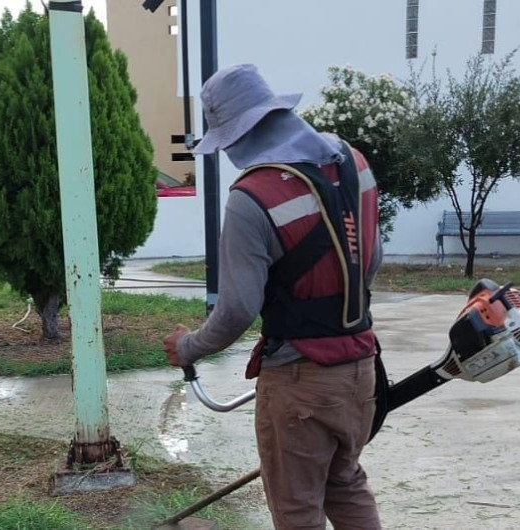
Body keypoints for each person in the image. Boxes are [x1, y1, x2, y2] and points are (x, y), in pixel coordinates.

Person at [162, 64, 383, 530]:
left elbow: (238, 309)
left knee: (297, 509)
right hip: (361, 368)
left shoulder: (253, 197)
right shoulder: (353, 163)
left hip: (300, 382)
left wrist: (188, 347)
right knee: (345, 483)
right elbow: (372, 258)